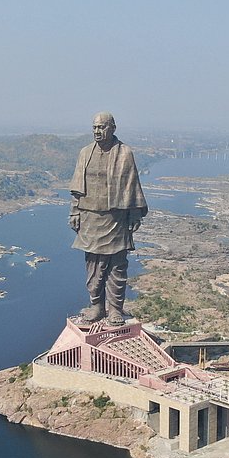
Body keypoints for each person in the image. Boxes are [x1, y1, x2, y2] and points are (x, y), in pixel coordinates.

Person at [69, 112, 148, 325]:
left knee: (117, 266)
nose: (97, 131)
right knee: (93, 266)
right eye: (94, 127)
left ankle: (115, 309)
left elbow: (132, 184)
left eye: (101, 127)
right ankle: (96, 306)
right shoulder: (85, 153)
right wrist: (75, 211)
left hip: (116, 218)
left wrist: (134, 214)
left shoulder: (124, 153)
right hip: (90, 217)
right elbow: (77, 189)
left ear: (112, 128)